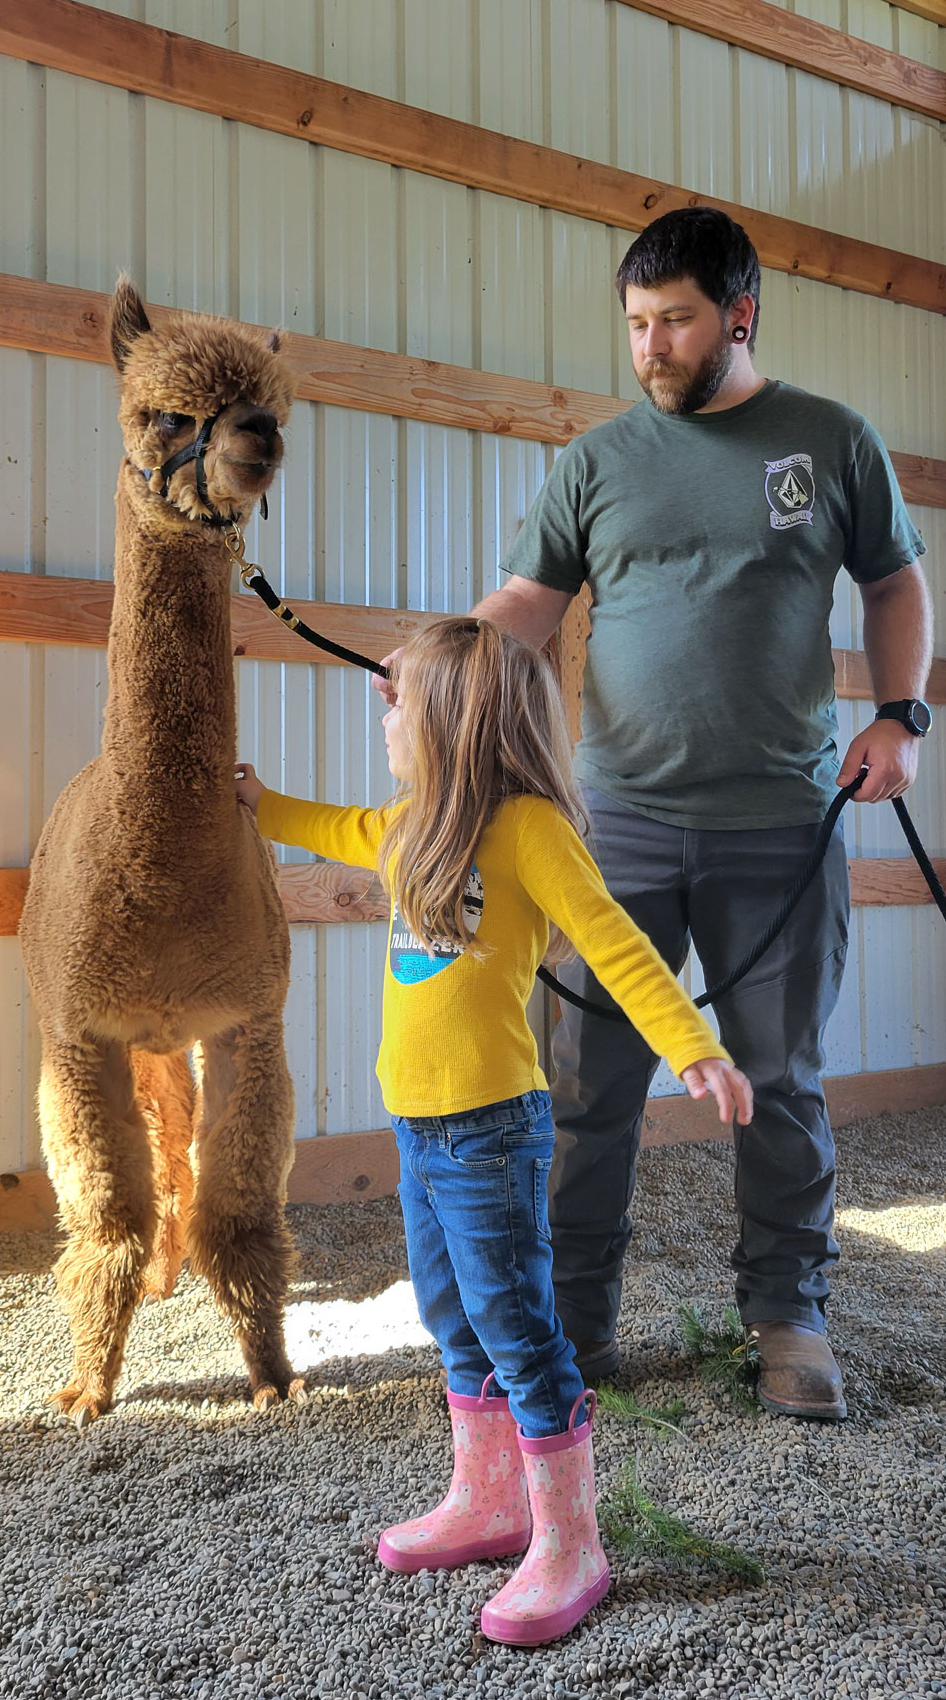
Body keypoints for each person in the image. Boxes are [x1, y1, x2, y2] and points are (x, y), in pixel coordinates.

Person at [374, 207, 931, 1423]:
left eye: (675, 321)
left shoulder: (831, 444)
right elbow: (528, 598)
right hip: (611, 824)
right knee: (582, 1084)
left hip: (782, 822)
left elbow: (894, 577)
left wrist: (901, 714)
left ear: (740, 315)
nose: (651, 347)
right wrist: (439, 666)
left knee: (778, 1078)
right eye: (635, 324)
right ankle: (571, 1321)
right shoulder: (598, 460)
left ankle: (787, 1315)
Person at [237, 616, 752, 1647]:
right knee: (449, 1312)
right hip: (417, 1126)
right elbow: (331, 826)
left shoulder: (527, 831)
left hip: (490, 1130)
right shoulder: (412, 825)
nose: (384, 715)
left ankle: (571, 1541)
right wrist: (259, 804)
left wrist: (692, 1043)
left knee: (518, 1323)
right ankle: (490, 1502)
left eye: (402, 703)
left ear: (453, 720)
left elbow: (614, 936)